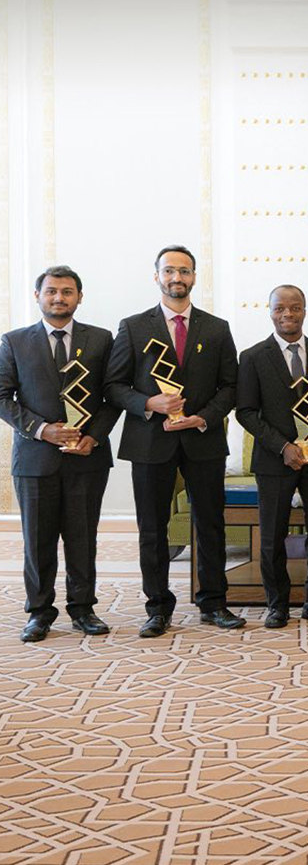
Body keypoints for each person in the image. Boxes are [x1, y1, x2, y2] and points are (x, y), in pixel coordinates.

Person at [106, 245, 242, 638]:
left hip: (203, 440)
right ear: (157, 277)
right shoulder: (132, 326)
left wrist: (205, 417)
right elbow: (113, 387)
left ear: (195, 277)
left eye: (184, 271)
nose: (176, 278)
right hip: (150, 441)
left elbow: (230, 386)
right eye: (169, 271)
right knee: (152, 528)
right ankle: (157, 608)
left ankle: (214, 603)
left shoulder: (217, 328)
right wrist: (148, 401)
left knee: (212, 525)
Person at [0, 266, 121, 643]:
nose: (58, 298)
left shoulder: (102, 340)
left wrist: (95, 437)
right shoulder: (15, 341)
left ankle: (83, 609)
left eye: (67, 292)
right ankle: (39, 612)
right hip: (35, 459)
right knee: (38, 540)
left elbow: (113, 395)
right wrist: (42, 429)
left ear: (79, 297)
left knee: (83, 537)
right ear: (38, 296)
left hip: (87, 457)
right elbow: (3, 397)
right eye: (51, 291)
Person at [235, 285, 308, 629]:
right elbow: (247, 412)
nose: (288, 315)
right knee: (272, 536)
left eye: (295, 308)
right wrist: (283, 447)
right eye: (280, 308)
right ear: (270, 312)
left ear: (305, 311)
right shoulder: (252, 357)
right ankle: (277, 604)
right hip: (274, 461)